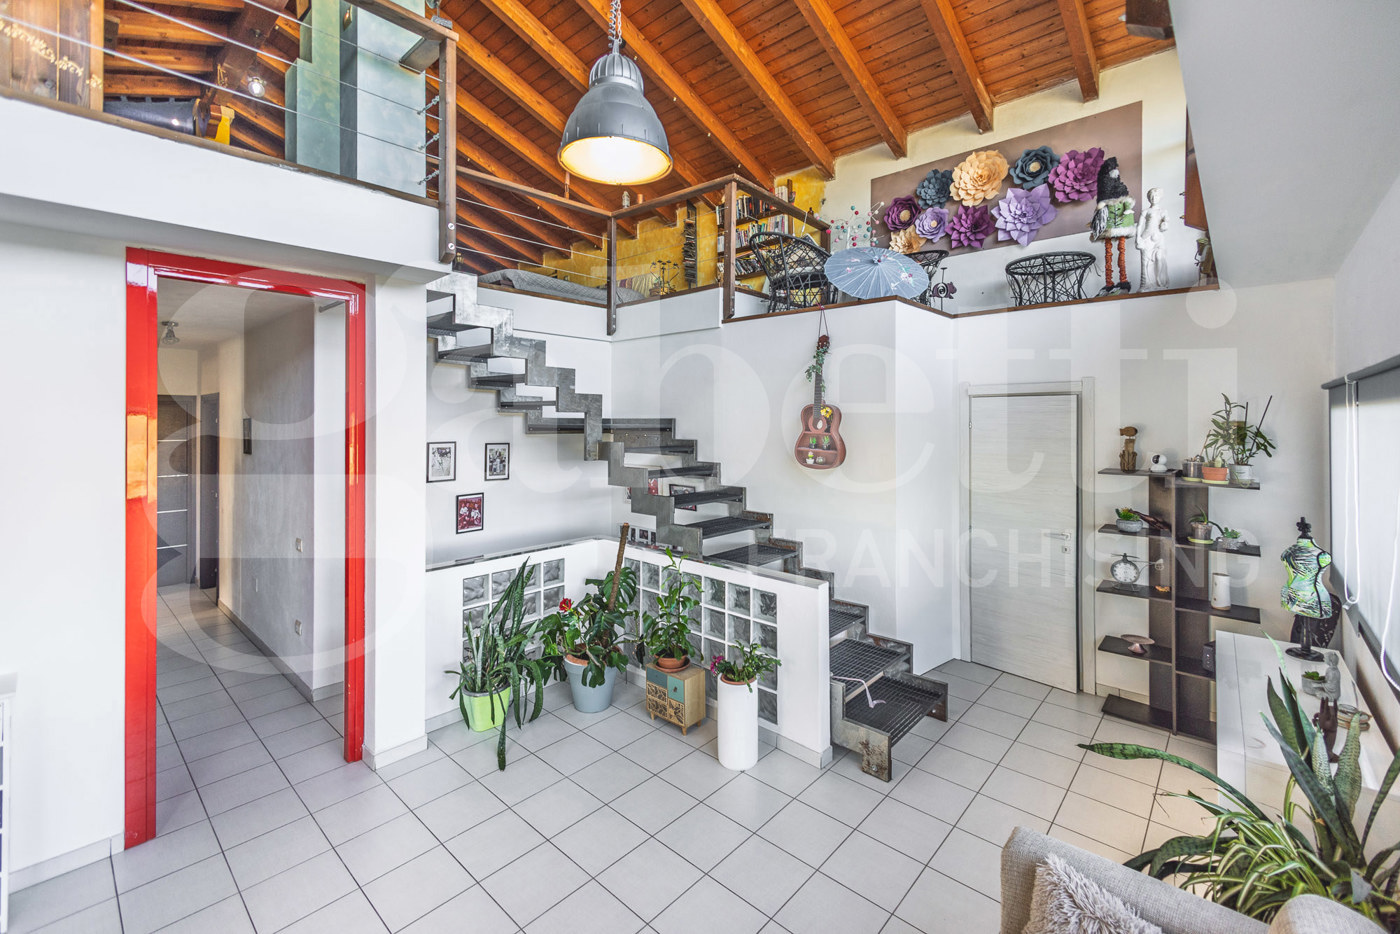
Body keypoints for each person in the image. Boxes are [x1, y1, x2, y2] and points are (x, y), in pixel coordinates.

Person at [1135, 187, 1169, 292]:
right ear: (1149, 198)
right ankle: (1145, 284)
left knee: (1159, 257)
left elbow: (1166, 224)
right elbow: (1139, 225)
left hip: (1158, 238)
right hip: (1146, 238)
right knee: (1145, 262)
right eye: (1152, 196)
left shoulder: (1163, 211)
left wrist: (1164, 224)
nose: (1154, 198)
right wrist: (1138, 238)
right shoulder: (1145, 211)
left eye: (1156, 196)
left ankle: (1159, 280)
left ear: (1160, 197)